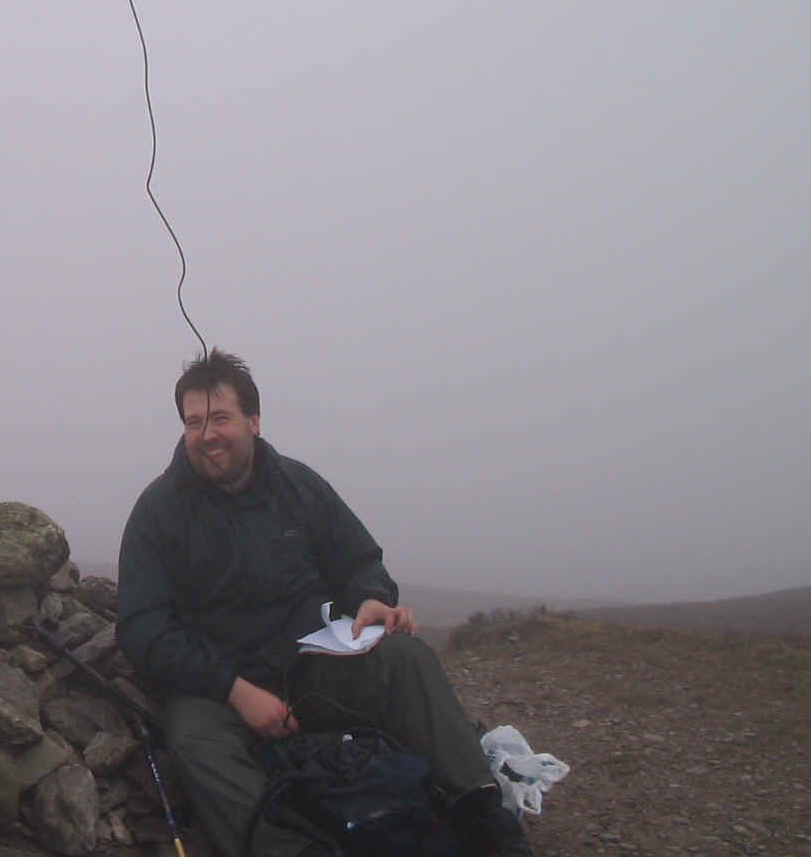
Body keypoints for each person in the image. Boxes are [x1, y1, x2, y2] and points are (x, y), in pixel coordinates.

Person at [116, 350, 533, 857]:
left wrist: (372, 600)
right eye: (193, 421)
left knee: (405, 659)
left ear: (253, 420)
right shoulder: (157, 512)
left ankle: (479, 815)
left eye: (220, 417)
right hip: (217, 692)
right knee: (193, 741)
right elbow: (142, 629)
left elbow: (359, 559)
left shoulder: (299, 486)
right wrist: (236, 691)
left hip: (312, 668)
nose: (206, 435)